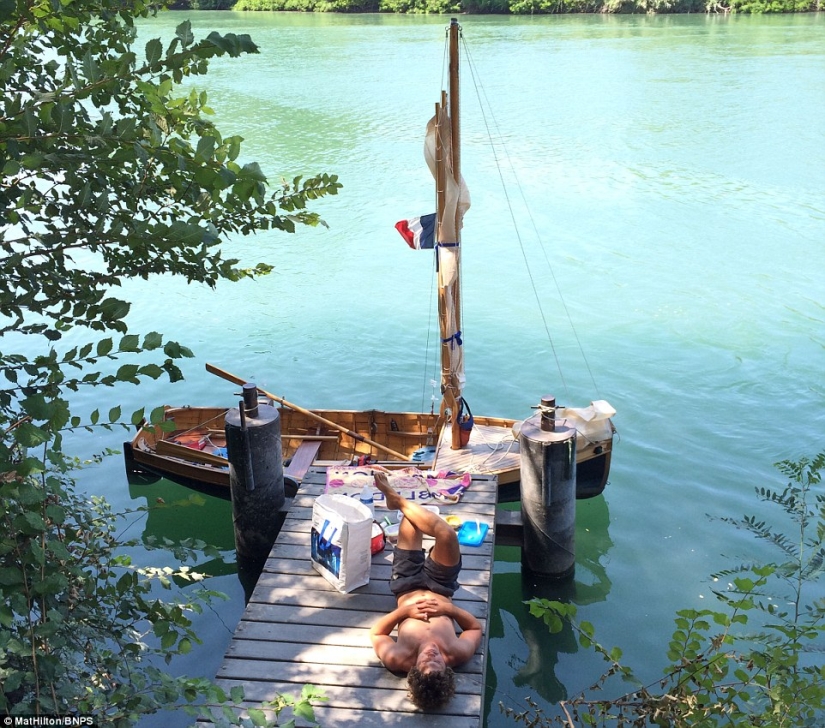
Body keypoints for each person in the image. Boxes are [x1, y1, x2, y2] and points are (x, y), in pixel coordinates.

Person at [369, 471, 482, 710]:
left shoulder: (397, 659)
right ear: (447, 667)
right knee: (447, 535)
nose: (432, 654)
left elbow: (377, 634)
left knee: (411, 522)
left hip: (406, 585)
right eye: (438, 661)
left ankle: (396, 500)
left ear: (414, 669)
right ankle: (396, 500)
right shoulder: (457, 653)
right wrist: (448, 609)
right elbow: (475, 628)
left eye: (426, 661)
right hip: (441, 586)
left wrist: (404, 612)